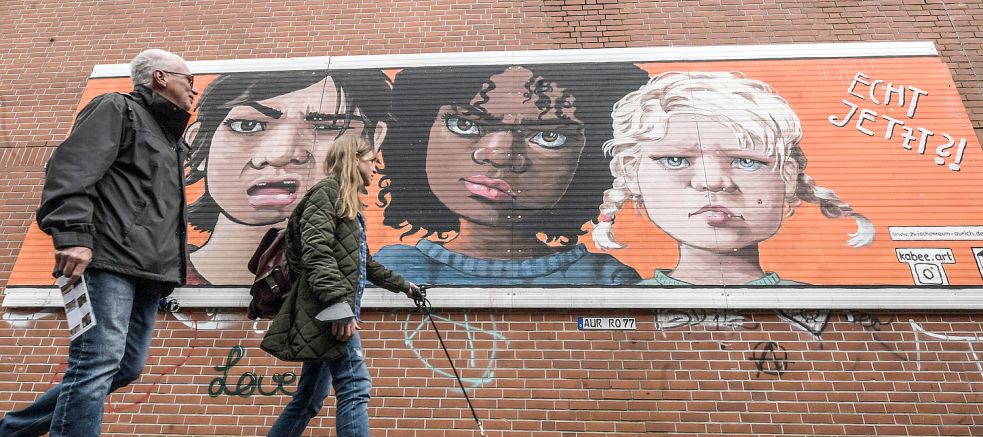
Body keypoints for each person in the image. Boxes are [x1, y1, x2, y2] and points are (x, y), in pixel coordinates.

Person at [0, 48, 197, 437]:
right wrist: (72, 235)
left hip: (147, 272)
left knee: (123, 366)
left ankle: (7, 435)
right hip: (105, 260)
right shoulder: (117, 109)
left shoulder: (169, 136)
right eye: (188, 79)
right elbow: (71, 169)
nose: (194, 89)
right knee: (95, 363)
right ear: (159, 77)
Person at [227, 135, 426, 437]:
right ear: (354, 159)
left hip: (331, 311)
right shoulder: (327, 194)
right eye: (372, 160)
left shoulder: (348, 206)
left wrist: (405, 286)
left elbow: (362, 264)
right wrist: (339, 306)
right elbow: (316, 252)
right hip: (327, 315)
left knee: (305, 403)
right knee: (355, 388)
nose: (376, 168)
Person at [373, 63, 649, 285]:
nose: (499, 154)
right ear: (420, 134)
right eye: (464, 124)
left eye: (549, 136)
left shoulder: (606, 279)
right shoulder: (390, 268)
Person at [594, 71, 875, 285]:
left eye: (746, 161)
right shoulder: (622, 300)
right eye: (675, 160)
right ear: (631, 172)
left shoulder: (820, 306)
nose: (713, 181)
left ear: (788, 177)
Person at [184, 69, 391, 284]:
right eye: (248, 126)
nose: (280, 154)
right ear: (197, 140)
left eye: (324, 127)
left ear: (373, 143)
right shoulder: (163, 274)